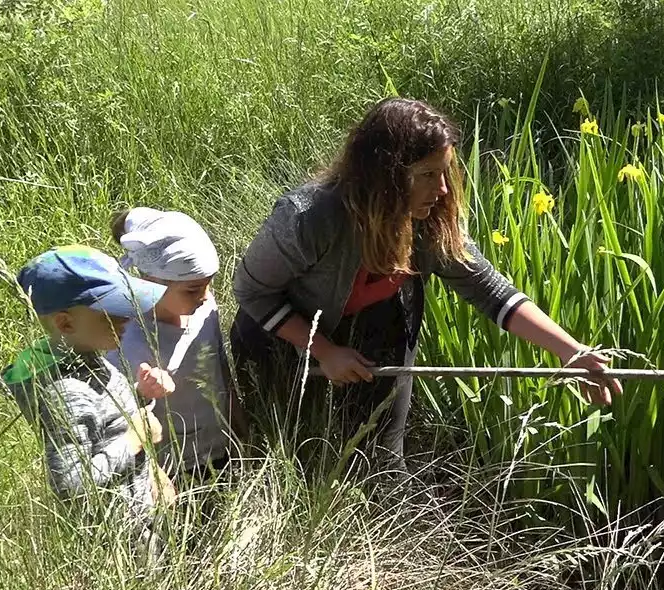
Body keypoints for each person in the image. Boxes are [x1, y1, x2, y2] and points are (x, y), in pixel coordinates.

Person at [229, 97, 621, 473]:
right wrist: (326, 351)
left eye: (445, 172)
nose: (444, 189)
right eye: (428, 175)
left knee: (380, 463)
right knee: (293, 451)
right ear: (385, 177)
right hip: (278, 337)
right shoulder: (310, 218)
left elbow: (491, 292)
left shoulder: (428, 221)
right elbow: (251, 291)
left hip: (374, 331)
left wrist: (572, 352)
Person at [0, 244, 177, 560]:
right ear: (65, 323)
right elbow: (69, 483)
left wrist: (139, 393)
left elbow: (102, 419)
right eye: (111, 311)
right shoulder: (65, 391)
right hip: (117, 538)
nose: (126, 318)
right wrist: (135, 439)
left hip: (136, 509)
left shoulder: (85, 355)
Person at [106, 207, 247, 526]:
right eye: (193, 289)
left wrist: (242, 430)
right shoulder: (126, 337)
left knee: (222, 531)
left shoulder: (204, 309)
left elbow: (219, 372)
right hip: (168, 470)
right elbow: (119, 417)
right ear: (149, 280)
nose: (206, 297)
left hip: (220, 452)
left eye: (209, 285)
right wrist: (152, 471)